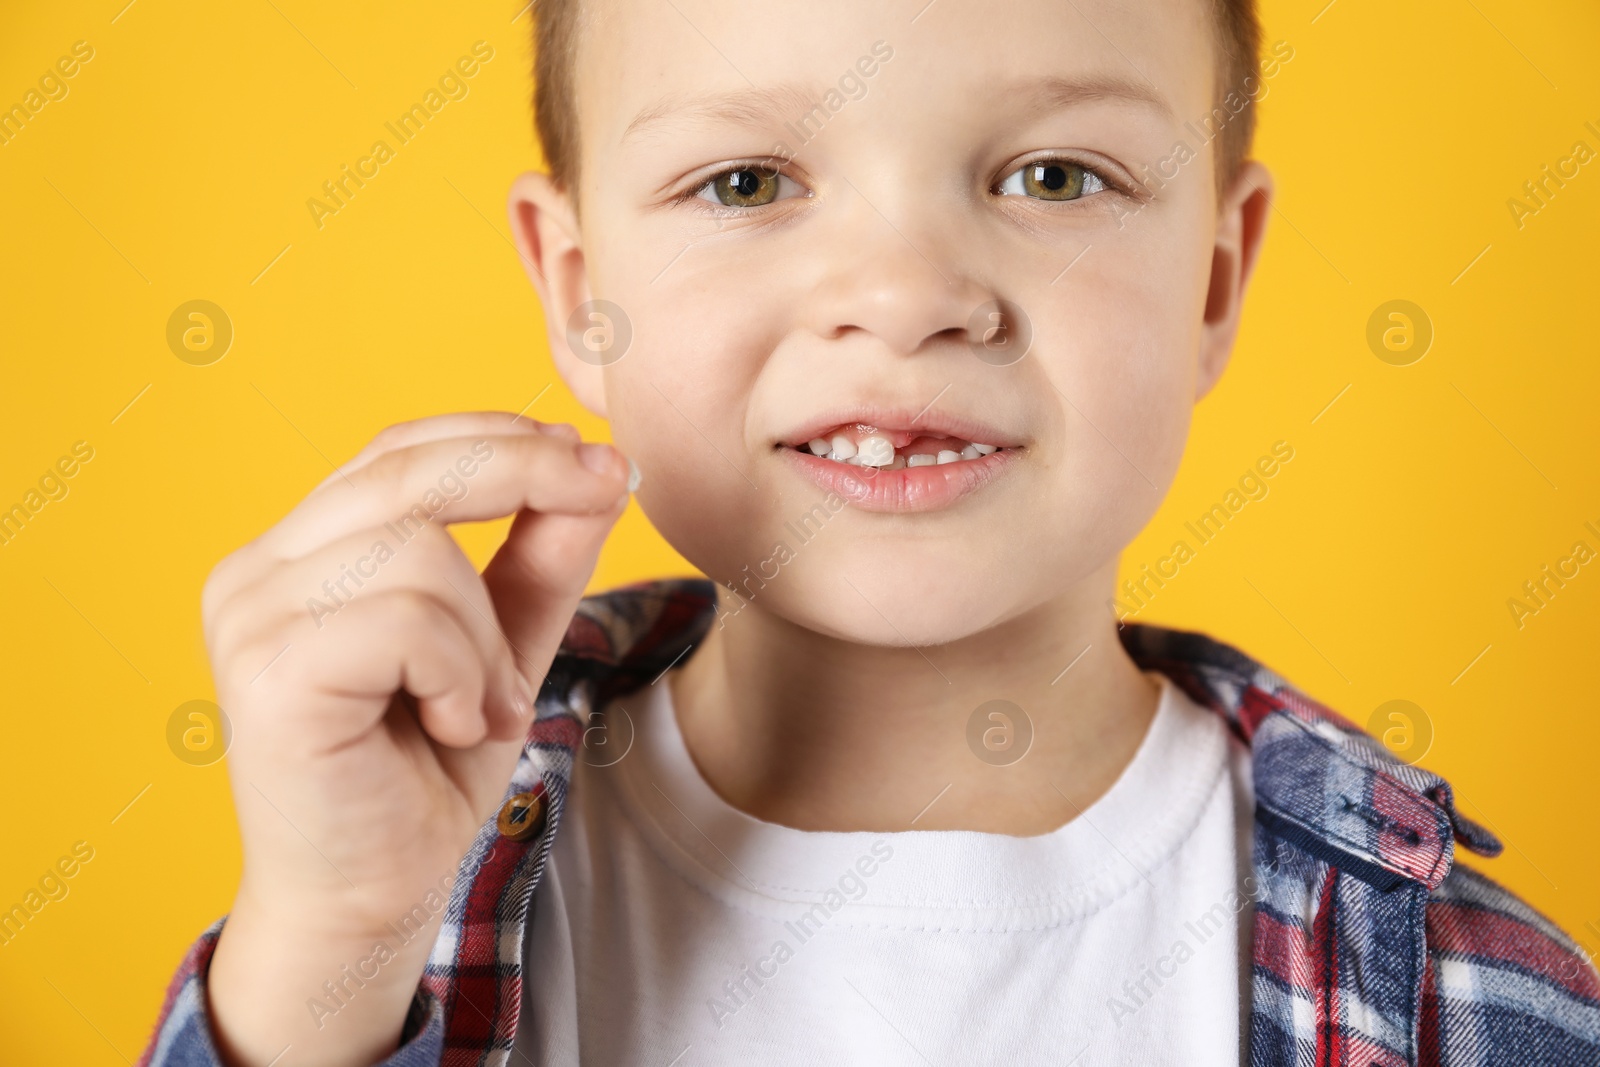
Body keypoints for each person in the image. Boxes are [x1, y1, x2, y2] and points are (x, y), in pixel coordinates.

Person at [137, 0, 1600, 1063]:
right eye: (748, 183)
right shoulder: (375, 917)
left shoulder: (1467, 996)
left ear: (1215, 281)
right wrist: (323, 960)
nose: (905, 296)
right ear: (582, 292)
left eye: (1054, 177)